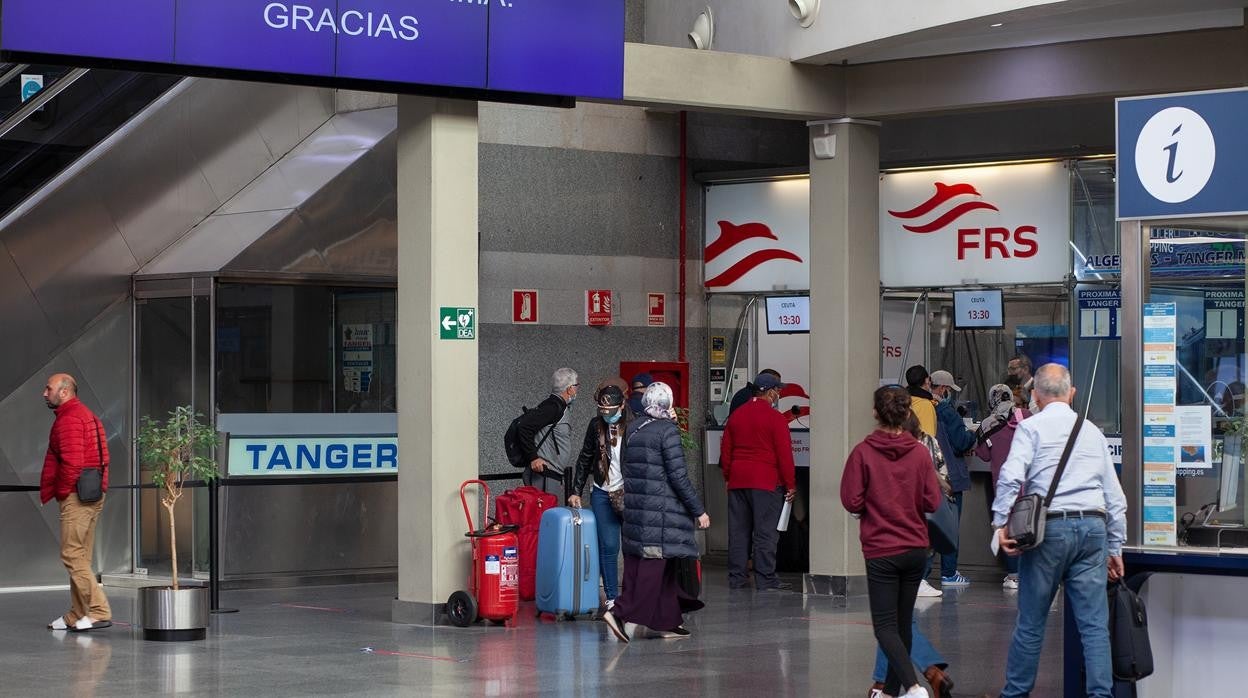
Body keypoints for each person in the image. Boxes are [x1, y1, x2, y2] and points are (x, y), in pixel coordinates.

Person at [992, 364, 1127, 698]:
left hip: (1048, 531)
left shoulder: (1031, 428)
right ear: (1072, 393)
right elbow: (1116, 498)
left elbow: (1010, 477)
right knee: (1094, 626)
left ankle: (1016, 694)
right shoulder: (1093, 432)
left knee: (1031, 623)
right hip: (1093, 529)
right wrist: (1115, 547)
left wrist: (1000, 524)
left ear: (1035, 395)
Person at [842, 386, 942, 698]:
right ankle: (891, 693)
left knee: (884, 626)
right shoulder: (919, 453)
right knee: (901, 624)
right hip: (915, 548)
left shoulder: (863, 452)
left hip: (881, 549)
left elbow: (851, 500)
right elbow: (932, 501)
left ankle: (913, 688)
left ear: (875, 413)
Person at [603, 382, 708, 642]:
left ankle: (667, 620)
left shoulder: (635, 428)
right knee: (653, 570)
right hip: (659, 515)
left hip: (638, 511)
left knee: (659, 570)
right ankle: (620, 613)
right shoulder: (667, 432)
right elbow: (678, 477)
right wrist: (699, 510)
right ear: (668, 405)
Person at [869, 412, 955, 697]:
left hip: (893, 539)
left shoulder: (891, 450)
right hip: (925, 539)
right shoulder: (929, 443)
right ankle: (883, 682)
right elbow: (945, 483)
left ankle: (929, 672)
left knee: (893, 620)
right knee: (898, 616)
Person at [40, 373, 113, 632]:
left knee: (72, 554)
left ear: (64, 391)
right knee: (81, 556)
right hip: (91, 494)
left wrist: (61, 491)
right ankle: (77, 613)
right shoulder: (86, 415)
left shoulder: (70, 418)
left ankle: (98, 610)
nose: (44, 393)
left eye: (48, 388)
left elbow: (73, 463)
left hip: (77, 496)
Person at [721, 372, 797, 591]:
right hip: (766, 482)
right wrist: (790, 484)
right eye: (777, 390)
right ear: (769, 392)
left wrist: (728, 477)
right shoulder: (776, 419)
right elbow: (784, 455)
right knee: (765, 532)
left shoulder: (737, 415)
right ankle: (765, 579)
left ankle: (737, 578)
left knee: (738, 532)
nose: (778, 394)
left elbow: (726, 451)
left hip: (737, 480)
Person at [568, 381, 632, 610]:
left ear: (622, 406)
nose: (607, 416)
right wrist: (575, 490)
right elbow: (585, 457)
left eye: (611, 412)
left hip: (628, 491)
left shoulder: (633, 426)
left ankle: (633, 594)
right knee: (608, 545)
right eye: (603, 412)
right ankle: (613, 598)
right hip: (602, 491)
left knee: (632, 545)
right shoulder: (596, 426)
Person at [975, 383, 1031, 589]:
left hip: (1003, 484)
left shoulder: (988, 424)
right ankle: (1033, 571)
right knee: (1030, 525)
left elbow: (983, 454)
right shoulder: (1026, 415)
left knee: (1007, 527)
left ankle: (1014, 574)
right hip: (1029, 483)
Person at [929, 369, 975, 589]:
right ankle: (948, 573)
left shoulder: (922, 408)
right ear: (943, 389)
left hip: (929, 474)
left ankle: (923, 574)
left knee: (929, 525)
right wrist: (974, 435)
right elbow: (962, 441)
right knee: (950, 526)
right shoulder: (947, 412)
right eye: (949, 389)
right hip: (950, 476)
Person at [516, 368, 578, 497]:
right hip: (544, 475)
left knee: (547, 514)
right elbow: (524, 427)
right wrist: (533, 458)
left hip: (550, 474)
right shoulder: (552, 407)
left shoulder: (558, 406)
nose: (577, 390)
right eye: (576, 386)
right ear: (570, 388)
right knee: (543, 514)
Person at [905, 365, 937, 437]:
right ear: (926, 380)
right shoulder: (925, 405)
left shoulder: (902, 401)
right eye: (929, 379)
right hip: (917, 447)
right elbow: (928, 438)